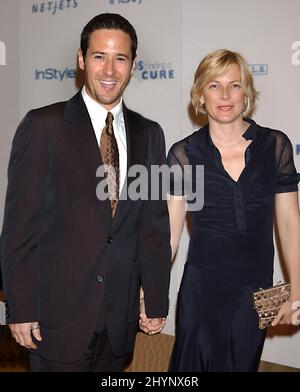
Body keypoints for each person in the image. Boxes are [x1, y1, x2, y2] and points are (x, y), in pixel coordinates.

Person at [0, 13, 171, 372]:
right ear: (81, 59)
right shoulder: (43, 126)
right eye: (99, 56)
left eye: (120, 58)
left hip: (119, 322)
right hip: (54, 320)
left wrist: (156, 300)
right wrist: (21, 308)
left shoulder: (150, 134)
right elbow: (19, 230)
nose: (109, 70)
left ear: (133, 65)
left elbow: (153, 227)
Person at [167, 49, 300, 372]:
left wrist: (297, 291)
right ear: (200, 95)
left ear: (247, 93)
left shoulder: (275, 146)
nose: (225, 95)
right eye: (214, 86)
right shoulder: (183, 154)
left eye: (234, 85)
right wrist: (150, 293)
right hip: (201, 290)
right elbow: (169, 236)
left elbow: (289, 224)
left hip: (253, 290)